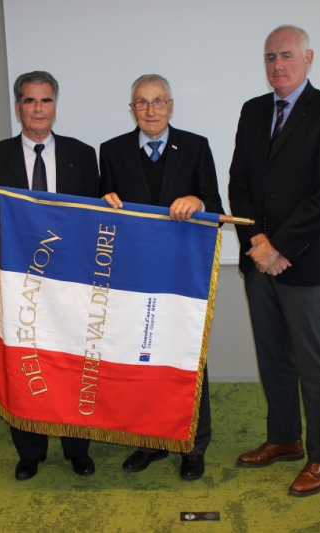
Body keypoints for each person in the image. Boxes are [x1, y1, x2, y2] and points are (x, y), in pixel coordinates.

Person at [228, 25, 320, 496]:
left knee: (312, 362)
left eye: (286, 55)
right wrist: (258, 242)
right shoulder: (253, 110)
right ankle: (284, 439)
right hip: (258, 258)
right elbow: (238, 181)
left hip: (303, 259)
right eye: (269, 58)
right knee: (273, 357)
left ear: (308, 58)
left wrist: (278, 247)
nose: (277, 65)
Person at [0, 71, 100, 481]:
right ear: (17, 106)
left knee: (73, 363)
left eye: (45, 101)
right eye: (29, 101)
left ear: (55, 106)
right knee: (23, 362)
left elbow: (95, 216)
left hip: (70, 280)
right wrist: (8, 216)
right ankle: (30, 451)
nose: (38, 109)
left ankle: (76, 448)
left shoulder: (83, 153)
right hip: (16, 279)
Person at [99, 73, 224, 481]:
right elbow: (101, 208)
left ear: (171, 105)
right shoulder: (112, 151)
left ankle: (192, 445)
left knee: (187, 357)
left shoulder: (196, 146)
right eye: (141, 102)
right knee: (142, 356)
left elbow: (216, 206)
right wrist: (105, 202)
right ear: (131, 108)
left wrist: (199, 200)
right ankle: (150, 440)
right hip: (133, 276)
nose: (150, 110)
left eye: (158, 102)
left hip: (181, 275)